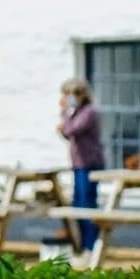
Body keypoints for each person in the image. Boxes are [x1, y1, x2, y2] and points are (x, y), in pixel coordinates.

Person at [57, 78, 104, 256]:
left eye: (71, 94)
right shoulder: (75, 112)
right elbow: (67, 134)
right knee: (77, 203)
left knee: (87, 203)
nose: (68, 98)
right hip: (78, 164)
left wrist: (65, 113)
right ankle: (81, 243)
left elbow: (70, 130)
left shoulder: (88, 112)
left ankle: (91, 246)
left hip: (90, 164)